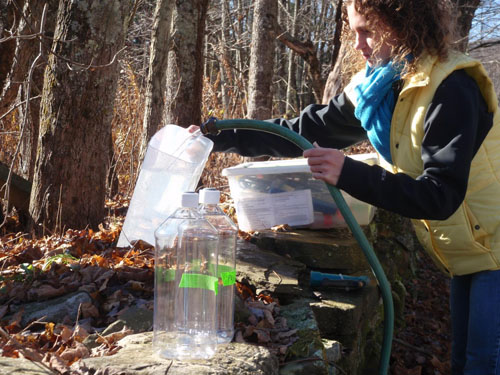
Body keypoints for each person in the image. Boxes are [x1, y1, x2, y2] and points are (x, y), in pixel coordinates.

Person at [190, 0, 500, 373]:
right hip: (470, 251)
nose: (357, 44)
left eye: (366, 31)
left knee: (484, 363)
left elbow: (440, 195)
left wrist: (348, 173)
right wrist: (219, 135)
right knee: (468, 361)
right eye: (353, 31)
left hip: (494, 245)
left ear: (402, 24)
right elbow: (302, 131)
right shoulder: (379, 90)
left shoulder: (451, 88)